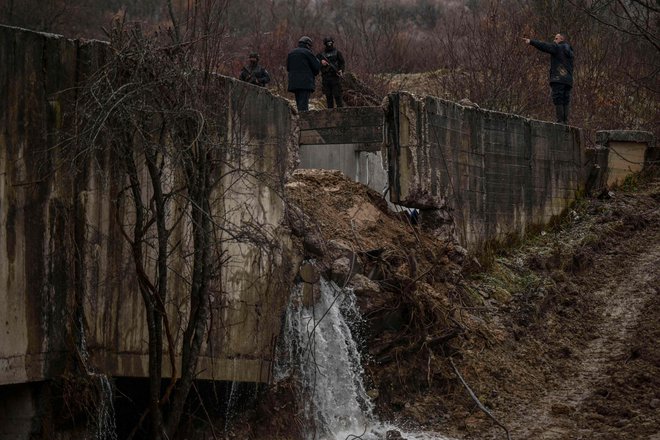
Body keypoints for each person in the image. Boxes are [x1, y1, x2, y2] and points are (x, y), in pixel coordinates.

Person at [524, 33, 574, 124]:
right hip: (568, 80)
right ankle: (565, 121)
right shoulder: (570, 51)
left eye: (556, 38)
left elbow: (544, 46)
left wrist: (531, 41)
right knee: (565, 99)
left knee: (558, 98)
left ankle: (560, 121)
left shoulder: (557, 48)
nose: (554, 40)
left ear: (561, 39)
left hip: (558, 78)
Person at [287, 36, 321, 111]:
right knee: (303, 106)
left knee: (299, 103)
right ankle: (302, 121)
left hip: (294, 82)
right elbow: (316, 67)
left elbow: (288, 68)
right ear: (308, 44)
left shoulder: (291, 53)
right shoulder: (308, 53)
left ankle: (299, 119)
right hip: (305, 82)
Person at [317, 36, 346, 108]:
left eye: (330, 43)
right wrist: (321, 62)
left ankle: (341, 113)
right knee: (328, 97)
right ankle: (330, 115)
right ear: (325, 44)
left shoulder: (337, 52)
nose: (329, 45)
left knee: (337, 96)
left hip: (335, 77)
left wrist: (341, 70)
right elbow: (315, 63)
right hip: (326, 78)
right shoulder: (321, 54)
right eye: (328, 43)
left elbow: (342, 63)